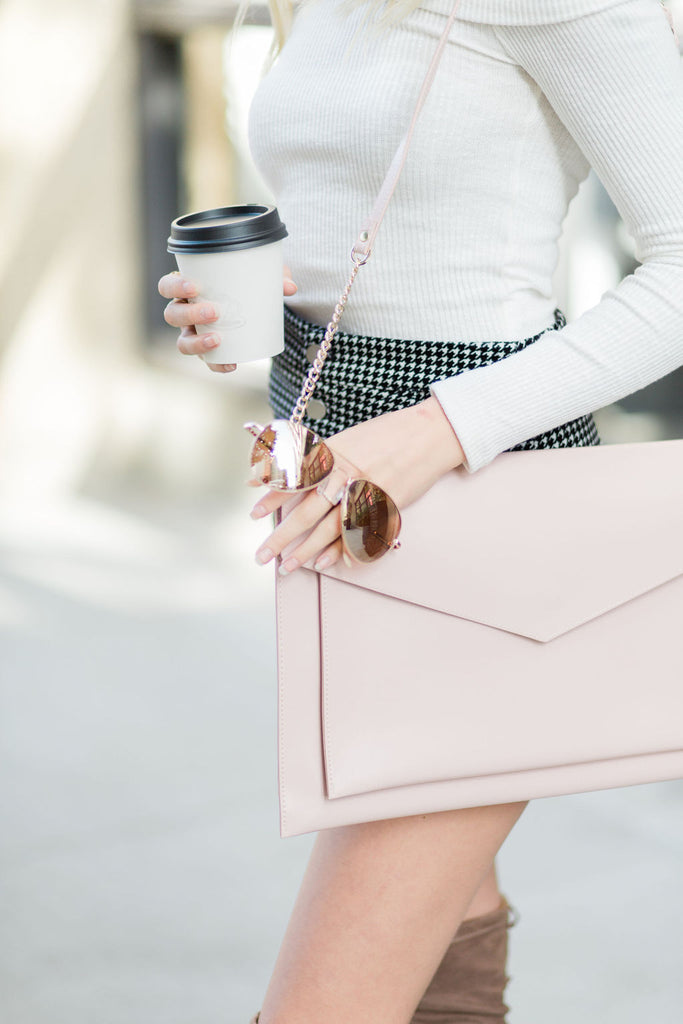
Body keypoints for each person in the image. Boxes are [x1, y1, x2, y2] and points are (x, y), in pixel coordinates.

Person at [158, 0, 683, 1020]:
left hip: (476, 515)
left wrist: (430, 432)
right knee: (442, 932)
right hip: (343, 508)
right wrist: (246, 308)